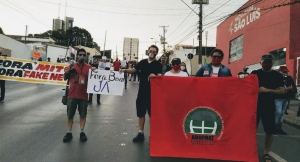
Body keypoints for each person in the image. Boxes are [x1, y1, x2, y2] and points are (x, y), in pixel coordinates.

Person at [119, 45, 162, 142]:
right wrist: (124, 70)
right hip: (142, 92)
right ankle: (140, 133)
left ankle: (153, 135)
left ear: (156, 53)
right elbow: (134, 70)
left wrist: (155, 76)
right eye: (150, 50)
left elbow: (161, 77)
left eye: (154, 51)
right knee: (141, 113)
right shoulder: (142, 62)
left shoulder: (158, 65)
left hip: (153, 94)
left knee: (152, 114)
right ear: (147, 51)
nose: (152, 52)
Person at [250, 55, 286, 162]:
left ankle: (266, 153)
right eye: (265, 62)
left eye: (269, 62)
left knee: (269, 131)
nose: (267, 64)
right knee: (251, 130)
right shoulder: (255, 74)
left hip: (269, 106)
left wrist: (267, 90)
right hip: (254, 106)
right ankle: (250, 151)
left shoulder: (277, 75)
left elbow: (282, 91)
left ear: (273, 63)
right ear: (260, 63)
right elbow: (244, 85)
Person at [62, 48, 96, 143]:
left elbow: (96, 78)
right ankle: (69, 132)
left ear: (86, 56)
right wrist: (68, 71)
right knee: (70, 115)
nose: (82, 56)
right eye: (80, 54)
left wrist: (96, 71)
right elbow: (64, 78)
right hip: (72, 95)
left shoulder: (89, 67)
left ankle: (82, 132)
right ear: (77, 55)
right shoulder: (71, 66)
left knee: (83, 115)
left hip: (84, 96)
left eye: (83, 55)